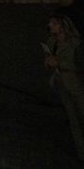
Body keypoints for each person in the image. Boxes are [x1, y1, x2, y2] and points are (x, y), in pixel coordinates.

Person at [45, 14, 84, 161]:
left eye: (53, 23)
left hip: (76, 83)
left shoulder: (76, 43)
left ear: (62, 26)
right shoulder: (51, 41)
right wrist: (48, 62)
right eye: (50, 23)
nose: (50, 25)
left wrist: (59, 64)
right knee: (73, 119)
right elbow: (49, 60)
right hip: (62, 83)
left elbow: (80, 65)